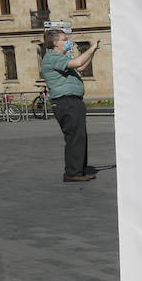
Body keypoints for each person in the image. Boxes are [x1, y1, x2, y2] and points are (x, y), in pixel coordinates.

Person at [40, 30, 101, 182]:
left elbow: (80, 68)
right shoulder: (52, 57)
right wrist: (91, 48)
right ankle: (72, 173)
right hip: (66, 102)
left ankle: (78, 171)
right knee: (74, 137)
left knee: (78, 136)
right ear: (55, 43)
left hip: (72, 102)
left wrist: (93, 51)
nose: (69, 41)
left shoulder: (61, 58)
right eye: (65, 39)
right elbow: (78, 63)